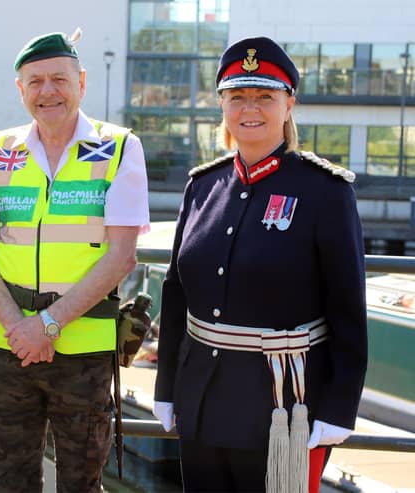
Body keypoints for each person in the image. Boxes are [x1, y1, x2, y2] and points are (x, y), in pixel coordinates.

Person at [153, 36, 368, 493]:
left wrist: (338, 409)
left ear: (289, 103)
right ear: (223, 106)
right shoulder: (202, 187)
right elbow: (176, 297)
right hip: (202, 400)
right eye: (238, 97)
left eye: (265, 96)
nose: (250, 108)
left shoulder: (325, 192)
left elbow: (348, 310)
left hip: (283, 407)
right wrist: (166, 388)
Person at [0, 28, 149, 492]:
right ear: (21, 89)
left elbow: (121, 256)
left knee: (82, 484)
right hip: (9, 348)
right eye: (36, 81)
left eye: (59, 79)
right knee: (13, 481)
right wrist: (20, 329)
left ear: (81, 82)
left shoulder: (120, 147)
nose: (48, 91)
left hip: (83, 349)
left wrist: (45, 325)